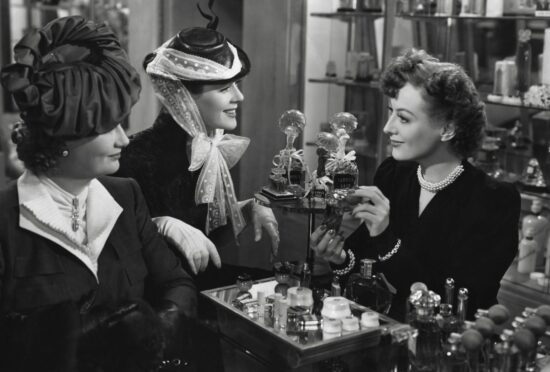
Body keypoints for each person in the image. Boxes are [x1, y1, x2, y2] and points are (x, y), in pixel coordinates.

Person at [0, 16, 196, 372]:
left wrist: (161, 327)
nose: (123, 139)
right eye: (109, 127)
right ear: (64, 135)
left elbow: (176, 283)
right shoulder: (5, 220)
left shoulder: (125, 196)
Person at [311, 49, 520, 321]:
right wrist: (338, 258)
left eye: (404, 118)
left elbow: (456, 301)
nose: (387, 128)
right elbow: (363, 267)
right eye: (391, 113)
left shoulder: (493, 200)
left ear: (447, 128)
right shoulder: (393, 175)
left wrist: (386, 237)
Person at [116, 7, 279, 289]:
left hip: (198, 285)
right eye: (225, 88)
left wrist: (248, 209)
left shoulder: (205, 150)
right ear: (183, 97)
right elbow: (117, 251)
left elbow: (206, 244)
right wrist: (159, 225)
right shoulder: (133, 157)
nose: (239, 97)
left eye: (236, 85)